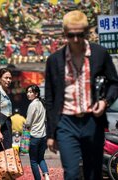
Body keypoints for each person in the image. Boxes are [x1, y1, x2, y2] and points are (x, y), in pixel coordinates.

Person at [45, 10, 118, 180]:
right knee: (71, 173)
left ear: (86, 33)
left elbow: (114, 83)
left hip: (92, 120)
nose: (76, 40)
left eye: (80, 34)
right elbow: (50, 98)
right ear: (65, 34)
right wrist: (51, 134)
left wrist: (105, 102)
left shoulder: (99, 54)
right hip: (66, 123)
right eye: (71, 35)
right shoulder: (54, 60)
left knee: (93, 173)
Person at [25, 84, 50, 180]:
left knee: (33, 161)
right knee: (41, 158)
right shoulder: (41, 103)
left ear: (36, 94)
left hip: (34, 136)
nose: (28, 94)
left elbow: (28, 122)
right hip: (43, 136)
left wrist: (26, 125)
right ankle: (46, 175)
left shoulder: (32, 105)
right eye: (27, 92)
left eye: (31, 92)